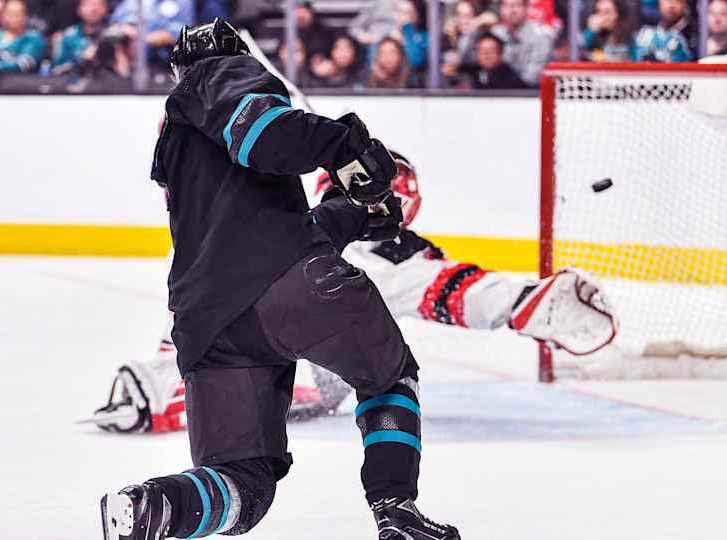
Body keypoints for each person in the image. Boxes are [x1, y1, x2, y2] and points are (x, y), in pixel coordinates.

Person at [100, 18, 462, 540]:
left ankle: (153, 507)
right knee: (388, 376)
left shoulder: (182, 142)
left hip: (207, 323)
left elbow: (264, 227)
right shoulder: (221, 76)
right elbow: (263, 139)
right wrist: (345, 145)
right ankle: (396, 511)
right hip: (285, 283)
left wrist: (354, 214)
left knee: (242, 483)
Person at [87, 151, 617, 433]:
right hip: (311, 355)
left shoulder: (294, 226)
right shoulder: (392, 252)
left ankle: (161, 383)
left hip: (249, 329)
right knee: (325, 376)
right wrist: (526, 301)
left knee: (225, 323)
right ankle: (161, 389)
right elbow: (451, 289)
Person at [109, 0, 194, 67]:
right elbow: (114, 25)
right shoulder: (131, 3)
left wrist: (141, 37)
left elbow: (181, 34)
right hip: (129, 65)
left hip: (163, 66)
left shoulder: (182, 2)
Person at [490, 0, 554, 87]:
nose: (512, 11)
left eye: (516, 5)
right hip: (496, 92)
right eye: (506, 5)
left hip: (530, 94)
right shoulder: (495, 33)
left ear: (526, 8)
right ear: (500, 9)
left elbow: (532, 79)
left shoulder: (541, 36)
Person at [52, 0, 107, 75]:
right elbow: (56, 70)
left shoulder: (113, 34)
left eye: (99, 4)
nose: (94, 9)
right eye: (89, 4)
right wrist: (82, 61)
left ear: (105, 9)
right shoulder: (68, 36)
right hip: (75, 81)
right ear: (79, 10)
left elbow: (123, 73)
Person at [0, 0, 45, 73]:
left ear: (25, 16)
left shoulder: (33, 38)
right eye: (10, 14)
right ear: (2, 15)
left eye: (17, 14)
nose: (14, 19)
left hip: (23, 82)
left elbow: (23, 64)